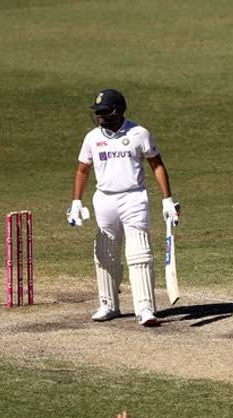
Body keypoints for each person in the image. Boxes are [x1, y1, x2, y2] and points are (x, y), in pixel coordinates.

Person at [68, 88, 180, 326]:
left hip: (134, 197)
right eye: (97, 112)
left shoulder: (139, 133)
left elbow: (157, 166)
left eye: (104, 111)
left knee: (139, 254)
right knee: (105, 253)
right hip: (104, 198)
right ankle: (109, 304)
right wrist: (76, 201)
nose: (100, 116)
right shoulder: (92, 138)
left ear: (118, 111)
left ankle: (145, 308)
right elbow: (82, 169)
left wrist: (167, 199)